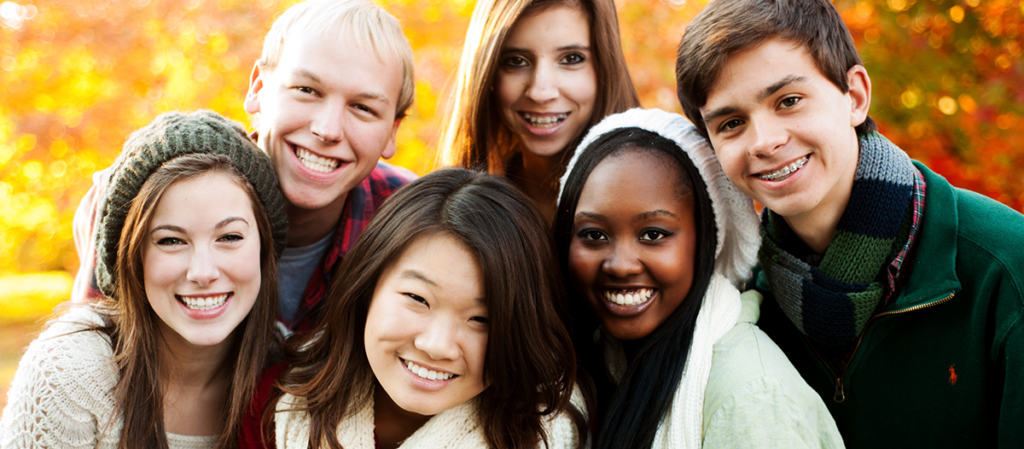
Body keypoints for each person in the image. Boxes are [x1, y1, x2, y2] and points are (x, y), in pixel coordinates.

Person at [675, 0, 1024, 446]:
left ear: (855, 96)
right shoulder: (745, 301)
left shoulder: (1006, 268)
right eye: (731, 123)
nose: (764, 142)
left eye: (789, 101)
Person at [71, 0, 417, 333]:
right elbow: (90, 357)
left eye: (363, 108)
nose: (327, 130)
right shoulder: (138, 196)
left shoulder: (411, 219)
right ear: (258, 88)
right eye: (306, 90)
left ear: (392, 131)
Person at [553, 108, 842, 448]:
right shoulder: (590, 362)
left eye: (653, 234)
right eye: (594, 235)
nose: (620, 265)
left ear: (706, 242)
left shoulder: (750, 396)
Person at [0, 111, 287, 448]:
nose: (203, 272)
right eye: (170, 241)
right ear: (132, 258)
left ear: (264, 247)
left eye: (229, 237)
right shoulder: (70, 373)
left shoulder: (286, 383)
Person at [253, 168, 585, 449]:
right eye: (418, 299)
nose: (436, 345)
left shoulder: (553, 430)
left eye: (481, 319)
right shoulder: (277, 408)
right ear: (366, 286)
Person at [438, 0, 639, 223]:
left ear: (605, 66)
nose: (540, 92)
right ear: (488, 74)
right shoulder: (455, 215)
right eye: (516, 61)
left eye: (571, 59)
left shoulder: (661, 191)